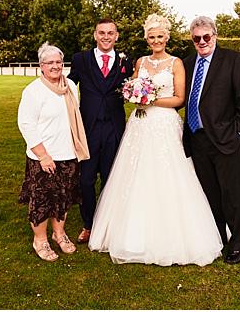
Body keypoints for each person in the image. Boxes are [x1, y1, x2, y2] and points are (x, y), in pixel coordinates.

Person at [89, 14, 223, 266]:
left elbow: (180, 98)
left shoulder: (176, 64)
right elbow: (131, 88)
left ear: (167, 37)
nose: (156, 40)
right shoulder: (139, 62)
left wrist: (151, 100)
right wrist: (134, 96)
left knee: (169, 174)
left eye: (160, 36)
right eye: (152, 37)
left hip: (164, 123)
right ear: (146, 39)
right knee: (136, 173)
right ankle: (130, 232)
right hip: (140, 124)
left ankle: (174, 234)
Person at [182, 16, 240, 264]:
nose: (202, 42)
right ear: (192, 40)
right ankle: (217, 235)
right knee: (209, 192)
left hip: (225, 138)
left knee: (231, 192)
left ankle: (237, 242)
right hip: (196, 138)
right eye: (196, 38)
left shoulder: (233, 60)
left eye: (206, 36)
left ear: (215, 36)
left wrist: (238, 132)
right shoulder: (188, 63)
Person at [18, 43, 88, 262]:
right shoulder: (33, 91)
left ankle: (59, 234)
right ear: (41, 66)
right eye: (50, 63)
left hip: (68, 153)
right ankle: (40, 240)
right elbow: (26, 124)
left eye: (59, 62)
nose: (56, 66)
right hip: (44, 157)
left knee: (63, 199)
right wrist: (43, 155)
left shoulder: (70, 87)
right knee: (42, 201)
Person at [68, 19, 130, 244]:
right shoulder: (81, 59)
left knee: (110, 177)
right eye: (102, 33)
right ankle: (88, 225)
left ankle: (108, 224)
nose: (106, 36)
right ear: (95, 35)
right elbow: (68, 84)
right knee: (85, 180)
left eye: (110, 33)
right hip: (88, 128)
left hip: (114, 128)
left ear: (116, 36)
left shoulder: (125, 60)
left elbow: (131, 86)